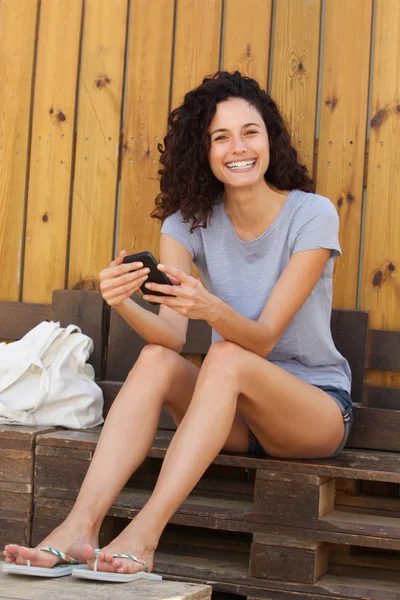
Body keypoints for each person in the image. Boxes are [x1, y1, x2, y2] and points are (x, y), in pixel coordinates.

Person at [3, 71, 352, 577]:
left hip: (314, 410)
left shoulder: (312, 215)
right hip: (232, 413)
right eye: (221, 137)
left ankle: (144, 537)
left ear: (269, 139)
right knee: (155, 359)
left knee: (228, 355)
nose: (239, 147)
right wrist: (122, 302)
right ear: (204, 151)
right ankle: (78, 528)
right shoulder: (186, 224)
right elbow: (170, 335)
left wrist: (210, 309)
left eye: (250, 132)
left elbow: (265, 337)